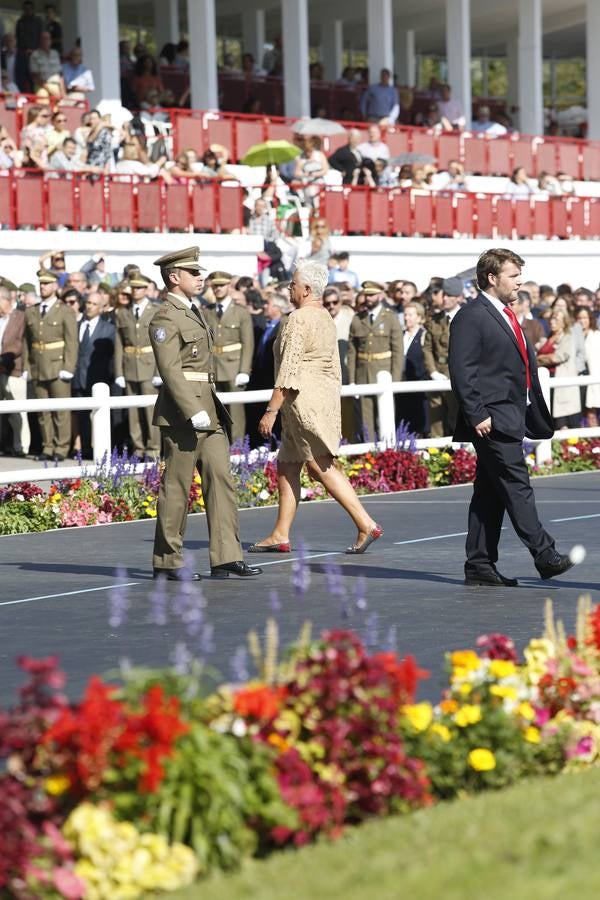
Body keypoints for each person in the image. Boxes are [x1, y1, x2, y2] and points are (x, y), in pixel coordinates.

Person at [448, 247, 575, 585]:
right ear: (492, 278)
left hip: (509, 414)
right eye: (513, 276)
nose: (521, 282)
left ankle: (479, 565)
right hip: (491, 420)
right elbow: (462, 371)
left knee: (489, 493)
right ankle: (544, 554)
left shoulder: (504, 314)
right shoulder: (471, 316)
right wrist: (477, 414)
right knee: (517, 486)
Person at [249, 260, 382, 555]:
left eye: (292, 284)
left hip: (301, 401)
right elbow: (334, 367)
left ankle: (365, 523)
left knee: (320, 464)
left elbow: (289, 369)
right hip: (319, 397)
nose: (288, 288)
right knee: (287, 466)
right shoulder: (325, 317)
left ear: (306, 289)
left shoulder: (298, 319)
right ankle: (280, 534)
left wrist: (271, 410)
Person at [148, 245, 261, 581]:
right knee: (177, 487)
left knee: (221, 480)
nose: (201, 277)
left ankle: (226, 555)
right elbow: (170, 369)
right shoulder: (165, 317)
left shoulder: (194, 312)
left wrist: (204, 407)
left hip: (208, 410)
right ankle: (168, 561)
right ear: (174, 277)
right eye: (193, 273)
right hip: (184, 414)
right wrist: (191, 408)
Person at [21, 268, 77, 461]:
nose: (43, 286)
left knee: (60, 411)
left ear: (55, 285)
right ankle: (47, 446)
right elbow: (27, 343)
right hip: (37, 366)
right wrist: (27, 368)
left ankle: (61, 448)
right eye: (41, 283)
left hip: (57, 366)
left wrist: (68, 367)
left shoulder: (65, 311)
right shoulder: (31, 311)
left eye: (46, 283)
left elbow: (71, 342)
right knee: (43, 412)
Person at [347, 280, 404, 441]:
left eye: (372, 295)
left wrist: (396, 379)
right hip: (362, 373)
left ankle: (388, 453)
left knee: (384, 415)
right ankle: (369, 453)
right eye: (366, 295)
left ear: (380, 295)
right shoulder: (358, 319)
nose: (368, 299)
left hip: (384, 371)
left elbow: (398, 351)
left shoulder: (390, 318)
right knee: (365, 419)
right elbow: (352, 352)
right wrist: (352, 381)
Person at [202, 271, 254, 444]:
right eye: (215, 286)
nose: (218, 289)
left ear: (229, 286)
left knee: (235, 413)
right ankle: (221, 448)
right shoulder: (207, 311)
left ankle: (238, 448)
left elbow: (248, 343)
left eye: (221, 285)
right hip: (213, 367)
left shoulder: (240, 312)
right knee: (216, 411)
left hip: (233, 367)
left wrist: (244, 370)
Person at [114, 273, 161, 459]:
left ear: (146, 289)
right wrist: (119, 371)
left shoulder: (155, 310)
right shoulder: (123, 312)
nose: (136, 291)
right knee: (133, 413)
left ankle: (153, 448)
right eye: (133, 288)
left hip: (150, 365)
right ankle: (138, 447)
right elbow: (119, 344)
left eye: (139, 288)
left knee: (150, 409)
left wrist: (159, 370)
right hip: (130, 364)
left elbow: (161, 343)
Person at [71, 291, 115, 458]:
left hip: (99, 379)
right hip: (79, 378)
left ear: (102, 308)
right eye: (88, 303)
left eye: (94, 304)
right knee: (82, 417)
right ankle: (86, 450)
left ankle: (102, 451)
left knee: (101, 417)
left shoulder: (109, 329)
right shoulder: (77, 325)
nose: (89, 306)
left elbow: (111, 356)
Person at [422, 276, 461, 437]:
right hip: (438, 373)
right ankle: (437, 456)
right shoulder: (435, 321)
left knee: (456, 417)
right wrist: (432, 372)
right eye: (442, 295)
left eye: (448, 295)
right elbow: (428, 348)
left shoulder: (466, 317)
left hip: (458, 375)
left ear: (458, 297)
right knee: (436, 421)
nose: (443, 299)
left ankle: (460, 457)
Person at [536, 309, 581, 429]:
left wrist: (539, 358)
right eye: (551, 318)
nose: (552, 321)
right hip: (546, 383)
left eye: (556, 319)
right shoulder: (549, 336)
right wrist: (544, 358)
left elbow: (557, 357)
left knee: (563, 423)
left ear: (564, 322)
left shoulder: (568, 337)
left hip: (561, 385)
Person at [0, 285, 30, 457]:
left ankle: (21, 446)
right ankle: (5, 444)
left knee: (19, 411)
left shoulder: (20, 317)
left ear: (6, 300)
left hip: (14, 369)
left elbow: (20, 342)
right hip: (0, 370)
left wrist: (4, 357)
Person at [397, 300, 429, 436]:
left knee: (420, 421)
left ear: (419, 317)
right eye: (405, 315)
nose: (406, 318)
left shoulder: (424, 336)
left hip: (419, 384)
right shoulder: (400, 335)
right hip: (402, 384)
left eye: (410, 315)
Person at [576, 306, 600, 426]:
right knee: (578, 413)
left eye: (585, 318)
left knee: (591, 412)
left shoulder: (596, 335)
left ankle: (595, 443)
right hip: (577, 377)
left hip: (592, 376)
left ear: (590, 319)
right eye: (579, 318)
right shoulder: (573, 336)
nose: (582, 321)